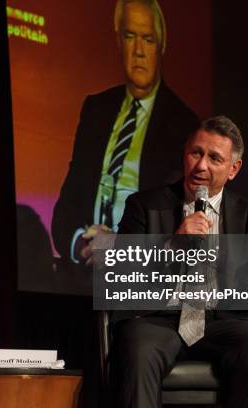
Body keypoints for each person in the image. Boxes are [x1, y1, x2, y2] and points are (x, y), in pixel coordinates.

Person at [112, 116, 248, 408]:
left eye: (214, 158)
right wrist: (173, 245)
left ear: (233, 169)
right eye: (195, 153)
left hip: (223, 320)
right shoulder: (144, 206)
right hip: (158, 318)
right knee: (138, 349)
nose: (201, 166)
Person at [51, 0, 198, 265]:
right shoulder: (96, 109)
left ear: (162, 46)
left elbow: (183, 224)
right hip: (85, 270)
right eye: (130, 36)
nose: (139, 51)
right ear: (118, 42)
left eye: (148, 39)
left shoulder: (186, 125)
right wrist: (80, 246)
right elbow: (68, 201)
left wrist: (122, 248)